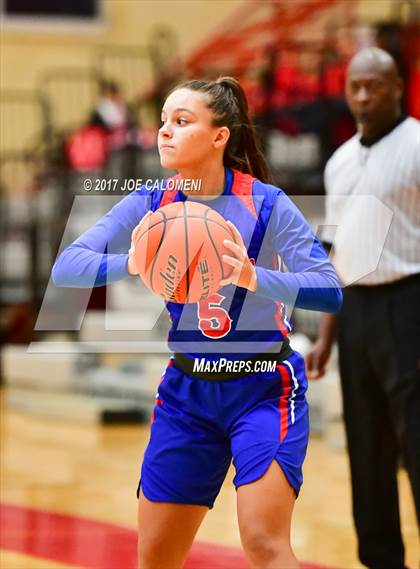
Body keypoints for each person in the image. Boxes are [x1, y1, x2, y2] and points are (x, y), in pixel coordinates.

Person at [52, 76, 342, 569]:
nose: (164, 131)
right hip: (188, 391)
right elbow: (67, 267)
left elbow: (329, 289)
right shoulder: (151, 201)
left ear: (219, 135)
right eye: (163, 121)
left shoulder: (267, 203)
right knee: (157, 558)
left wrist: (254, 276)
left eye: (182, 121)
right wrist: (133, 261)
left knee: (265, 545)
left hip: (264, 389)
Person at [306, 48, 420, 569]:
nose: (363, 96)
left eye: (374, 85)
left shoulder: (417, 144)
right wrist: (327, 334)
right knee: (367, 448)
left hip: (410, 301)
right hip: (355, 311)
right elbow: (337, 252)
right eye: (355, 86)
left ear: (399, 86)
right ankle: (380, 560)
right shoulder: (340, 162)